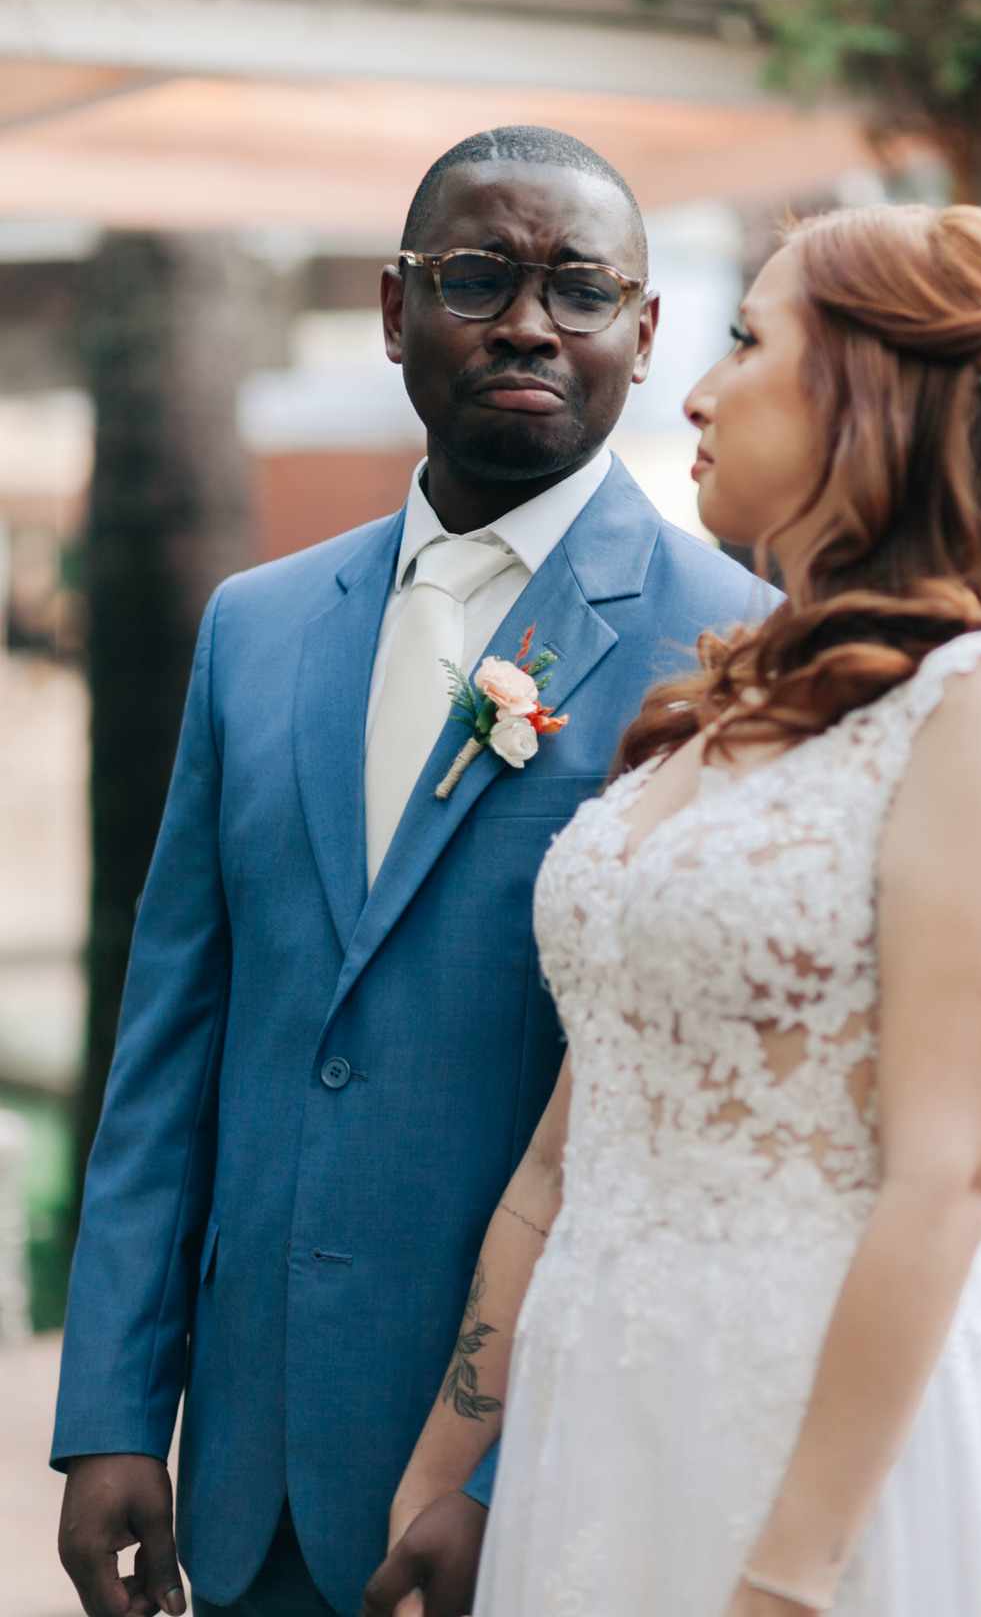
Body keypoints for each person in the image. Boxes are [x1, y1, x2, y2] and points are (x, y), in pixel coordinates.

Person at [373, 203, 981, 1617]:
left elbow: (944, 1183)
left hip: (822, 1461)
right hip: (599, 1434)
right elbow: (559, 1163)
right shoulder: (719, 708)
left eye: (749, 342)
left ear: (875, 392)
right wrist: (436, 1477)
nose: (696, 390)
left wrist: (787, 1579)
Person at [51, 125, 769, 1617]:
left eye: (580, 287)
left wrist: (502, 1478)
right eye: (476, 277)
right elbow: (172, 1042)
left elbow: (706, 1133)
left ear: (645, 335)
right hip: (250, 1477)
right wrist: (115, 1405)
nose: (527, 323)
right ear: (395, 311)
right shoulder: (254, 629)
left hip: (540, 1478)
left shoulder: (733, 647)